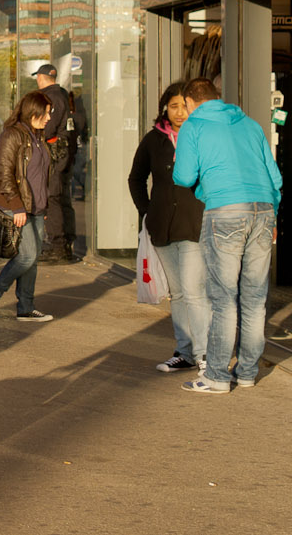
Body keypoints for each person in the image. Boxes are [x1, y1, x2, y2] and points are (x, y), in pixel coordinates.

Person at [173, 77, 283, 394]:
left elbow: (183, 176)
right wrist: (270, 212)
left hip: (224, 211)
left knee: (223, 299)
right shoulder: (250, 124)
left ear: (192, 102)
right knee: (254, 298)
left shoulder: (194, 125)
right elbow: (274, 176)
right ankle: (247, 373)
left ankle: (218, 376)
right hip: (262, 208)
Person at [127, 82, 208, 373]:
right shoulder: (153, 140)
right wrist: (146, 212)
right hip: (162, 227)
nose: (179, 112)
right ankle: (184, 352)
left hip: (194, 224)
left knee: (195, 289)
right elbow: (135, 178)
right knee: (179, 292)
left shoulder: (201, 136)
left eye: (184, 106)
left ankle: (204, 354)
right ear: (165, 108)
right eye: (173, 106)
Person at [0, 91, 58, 323]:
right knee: (26, 256)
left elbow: (39, 175)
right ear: (32, 111)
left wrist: (42, 206)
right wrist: (17, 207)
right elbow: (4, 175)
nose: (48, 118)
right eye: (45, 113)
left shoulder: (38, 137)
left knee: (32, 260)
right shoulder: (12, 135)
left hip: (36, 206)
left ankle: (26, 307)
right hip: (17, 206)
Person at [31, 64, 80, 263]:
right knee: (61, 197)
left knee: (52, 198)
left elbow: (47, 128)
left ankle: (58, 245)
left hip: (55, 153)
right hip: (64, 152)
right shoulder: (62, 95)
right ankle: (65, 243)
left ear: (41, 77)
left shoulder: (50, 98)